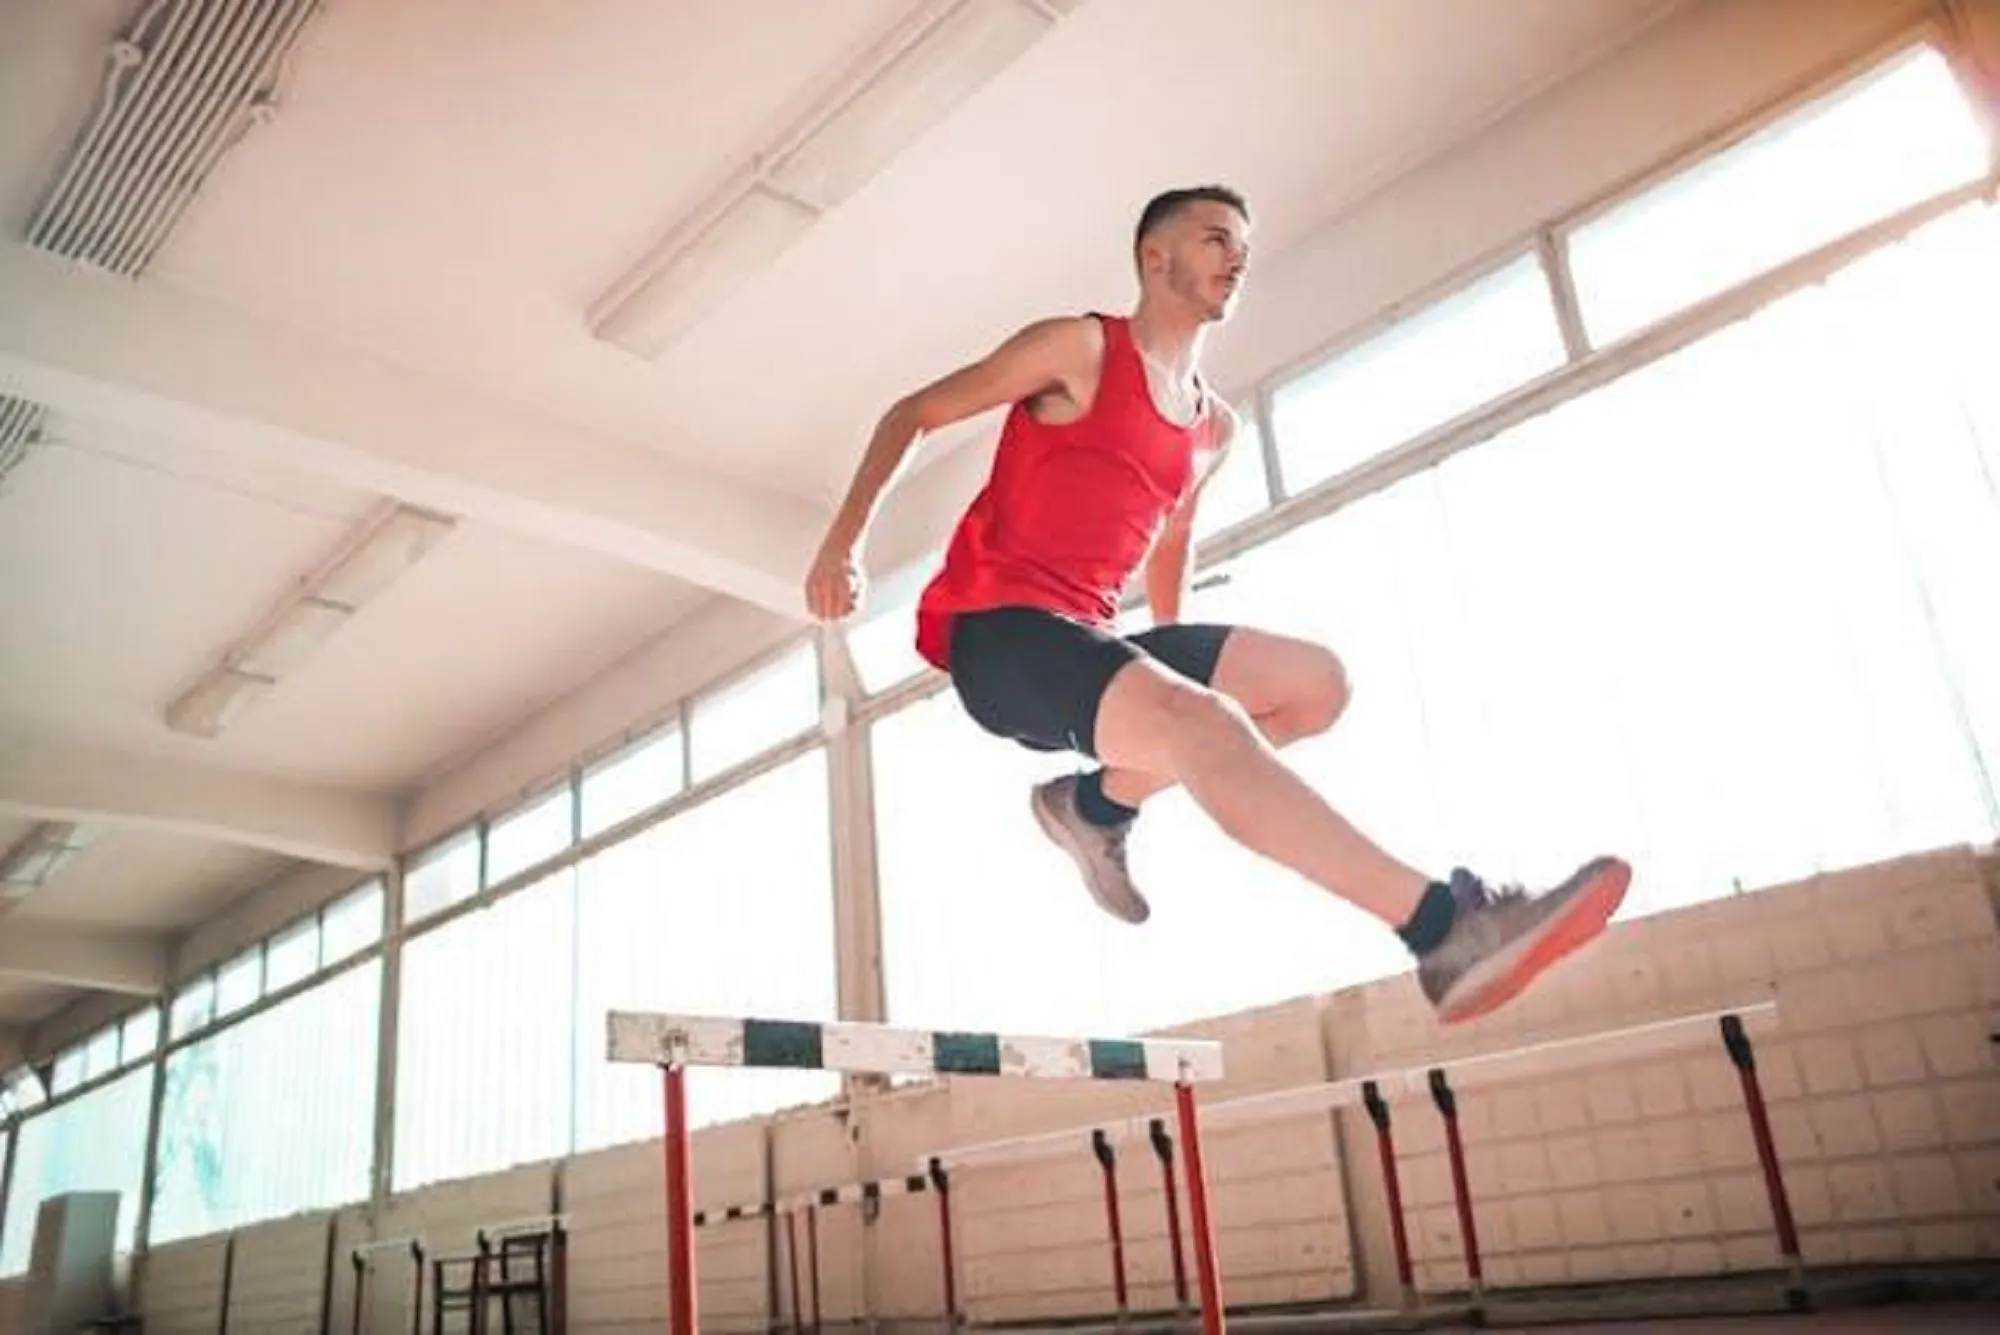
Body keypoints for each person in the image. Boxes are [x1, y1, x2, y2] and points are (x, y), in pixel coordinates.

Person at [804, 185, 1629, 1025]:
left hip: (1088, 632)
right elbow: (917, 412)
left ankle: (1094, 805)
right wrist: (844, 541)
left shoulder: (1213, 427)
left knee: (1313, 687)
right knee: (1201, 724)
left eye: (1243, 244)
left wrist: (1165, 664)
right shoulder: (1081, 348)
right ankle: (1442, 930)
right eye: (1214, 239)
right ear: (1155, 257)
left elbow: (1170, 540)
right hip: (1003, 634)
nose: (1237, 257)